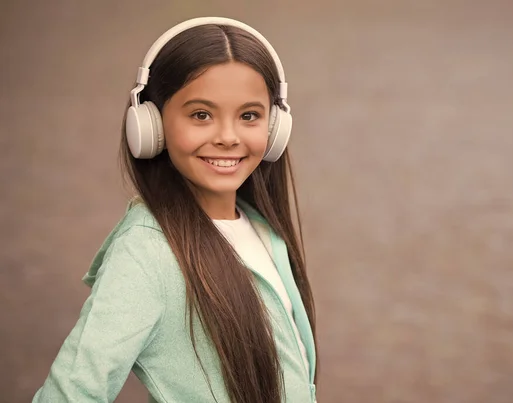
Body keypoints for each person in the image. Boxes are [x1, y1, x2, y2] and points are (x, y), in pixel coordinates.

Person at [32, 17, 318, 403]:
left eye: (249, 115)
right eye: (201, 115)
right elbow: (70, 393)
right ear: (151, 125)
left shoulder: (260, 229)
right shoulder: (147, 254)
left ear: (275, 127)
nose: (228, 137)